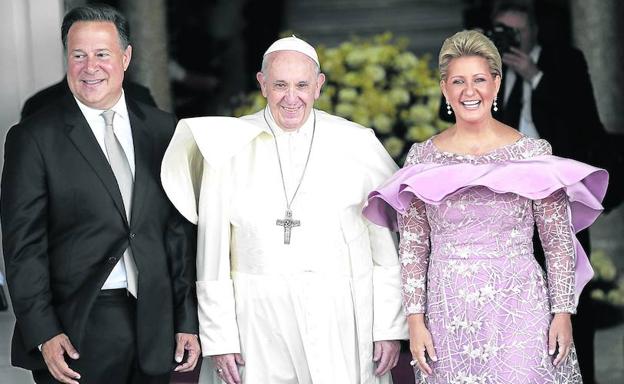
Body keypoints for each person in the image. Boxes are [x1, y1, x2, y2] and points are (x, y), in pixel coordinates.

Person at [363, 30, 608, 383]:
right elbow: (413, 248)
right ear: (445, 89)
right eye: (458, 81)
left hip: (522, 309)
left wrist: (563, 312)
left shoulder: (532, 153)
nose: (469, 91)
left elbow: (557, 243)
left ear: (496, 84)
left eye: (479, 79)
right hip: (449, 313)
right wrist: (415, 322)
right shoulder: (423, 157)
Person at [160, 36, 407, 383]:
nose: (292, 98)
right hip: (255, 322)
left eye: (302, 85)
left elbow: (383, 249)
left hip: (340, 319)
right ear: (262, 84)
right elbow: (211, 253)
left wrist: (387, 326)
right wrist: (220, 338)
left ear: (318, 86)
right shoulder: (227, 145)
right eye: (280, 85)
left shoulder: (356, 143)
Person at [1, 4, 200, 384]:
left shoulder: (164, 129)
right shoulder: (32, 137)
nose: (90, 67)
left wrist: (186, 319)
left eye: (102, 54)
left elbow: (178, 234)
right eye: (78, 55)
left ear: (125, 57)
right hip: (78, 328)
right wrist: (43, 331)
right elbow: (22, 245)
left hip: (156, 325)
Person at [20, 76, 157, 121]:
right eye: (80, 54)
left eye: (102, 53)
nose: (92, 64)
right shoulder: (39, 105)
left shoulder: (140, 97)